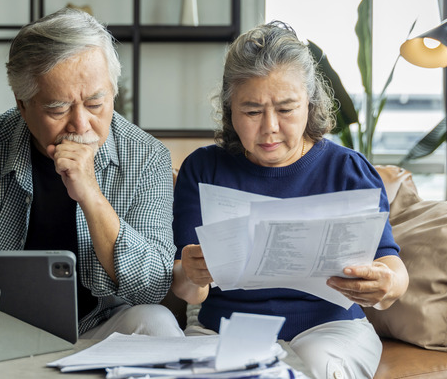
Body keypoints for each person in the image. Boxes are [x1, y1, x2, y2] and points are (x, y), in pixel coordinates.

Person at [0, 8, 183, 366]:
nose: (80, 123)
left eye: (95, 103)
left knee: (158, 324)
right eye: (58, 108)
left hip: (103, 327)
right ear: (22, 105)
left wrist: (89, 193)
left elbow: (152, 285)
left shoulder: (147, 156)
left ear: (113, 91)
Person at [171, 21, 409, 379]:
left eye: (286, 109)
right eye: (252, 111)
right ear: (230, 109)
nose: (269, 127)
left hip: (329, 328)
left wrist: (387, 284)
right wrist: (192, 274)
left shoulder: (347, 169)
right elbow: (187, 290)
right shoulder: (204, 169)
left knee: (318, 366)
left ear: (310, 104)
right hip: (223, 328)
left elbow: (391, 266)